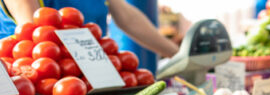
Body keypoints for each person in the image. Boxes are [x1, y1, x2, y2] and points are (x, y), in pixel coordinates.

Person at [0, 0, 179, 57]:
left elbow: (127, 17)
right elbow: (35, 36)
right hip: (29, 91)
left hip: (87, 77)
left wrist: (179, 56)